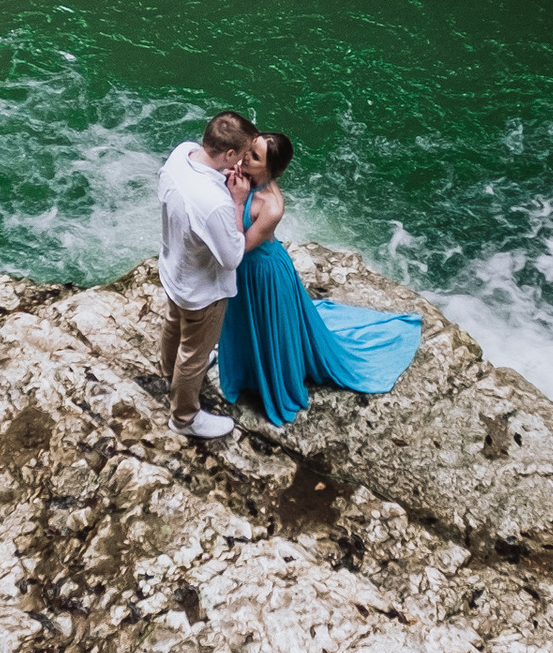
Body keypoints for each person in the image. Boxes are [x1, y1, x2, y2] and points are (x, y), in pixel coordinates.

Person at [217, 130, 423, 425]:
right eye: (249, 150)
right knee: (245, 323)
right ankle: (246, 371)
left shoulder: (272, 206)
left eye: (254, 156)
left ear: (270, 169)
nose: (244, 156)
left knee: (267, 327)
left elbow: (241, 247)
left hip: (263, 274)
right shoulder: (243, 176)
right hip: (244, 273)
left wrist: (237, 203)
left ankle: (270, 379)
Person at [156, 108, 253, 439]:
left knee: (173, 326)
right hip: (201, 290)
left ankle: (169, 374)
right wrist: (237, 202)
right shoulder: (216, 201)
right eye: (240, 154)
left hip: (172, 269)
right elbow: (231, 257)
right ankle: (183, 417)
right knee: (195, 355)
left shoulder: (181, 153)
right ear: (228, 154)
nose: (243, 160)